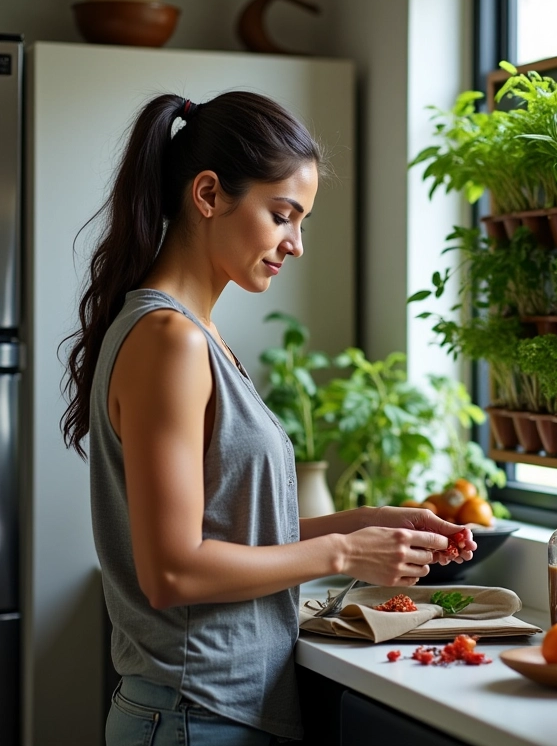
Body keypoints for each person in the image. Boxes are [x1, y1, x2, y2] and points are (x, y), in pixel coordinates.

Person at [60, 91, 477, 745]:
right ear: (208, 194)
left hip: (207, 713)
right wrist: (343, 551)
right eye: (283, 215)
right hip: (194, 715)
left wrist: (369, 523)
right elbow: (172, 573)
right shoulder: (172, 340)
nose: (297, 244)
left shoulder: (196, 335)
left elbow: (228, 528)